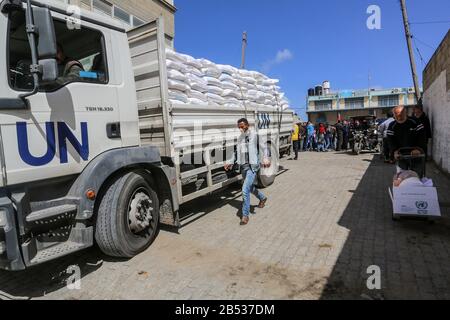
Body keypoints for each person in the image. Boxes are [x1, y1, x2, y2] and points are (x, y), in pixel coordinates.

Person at [225, 118, 269, 225]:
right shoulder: (240, 138)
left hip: (252, 167)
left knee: (244, 190)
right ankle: (262, 198)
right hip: (243, 167)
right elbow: (236, 152)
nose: (240, 128)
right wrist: (230, 162)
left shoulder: (254, 135)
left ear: (247, 125)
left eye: (242, 126)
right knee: (249, 187)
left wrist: (265, 158)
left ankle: (245, 215)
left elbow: (264, 147)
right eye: (239, 127)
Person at [387, 106, 428, 177]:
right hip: (401, 155)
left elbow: (422, 137)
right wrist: (395, 151)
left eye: (401, 115)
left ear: (405, 113)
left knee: (417, 176)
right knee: (402, 176)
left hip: (416, 155)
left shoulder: (415, 122)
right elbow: (390, 140)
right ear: (394, 115)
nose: (399, 117)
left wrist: (418, 149)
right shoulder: (392, 126)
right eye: (396, 115)